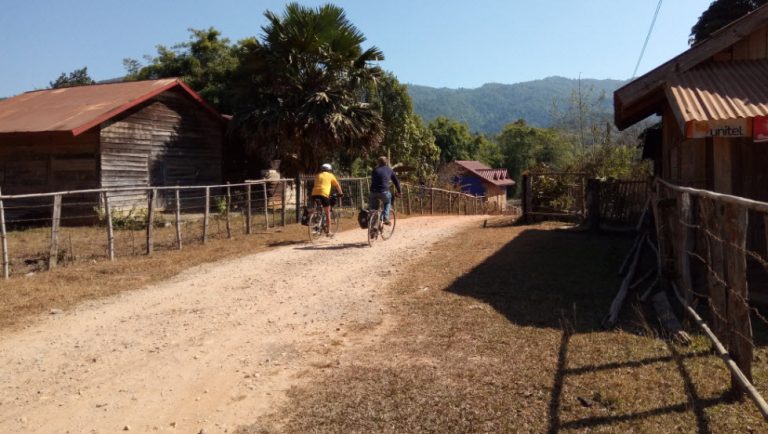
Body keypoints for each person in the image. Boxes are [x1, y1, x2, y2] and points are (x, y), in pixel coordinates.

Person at [310, 163, 344, 235]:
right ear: (329, 170)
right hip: (324, 194)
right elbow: (337, 185)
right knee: (327, 213)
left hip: (314, 194)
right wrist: (341, 193)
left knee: (317, 209)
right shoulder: (330, 175)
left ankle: (315, 222)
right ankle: (329, 231)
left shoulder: (318, 175)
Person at [369, 156, 401, 224]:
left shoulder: (374, 170)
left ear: (378, 163)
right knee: (387, 202)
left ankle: (373, 223)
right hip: (384, 192)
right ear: (386, 162)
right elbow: (396, 182)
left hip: (373, 192)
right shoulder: (389, 170)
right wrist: (399, 191)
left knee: (373, 208)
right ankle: (386, 218)